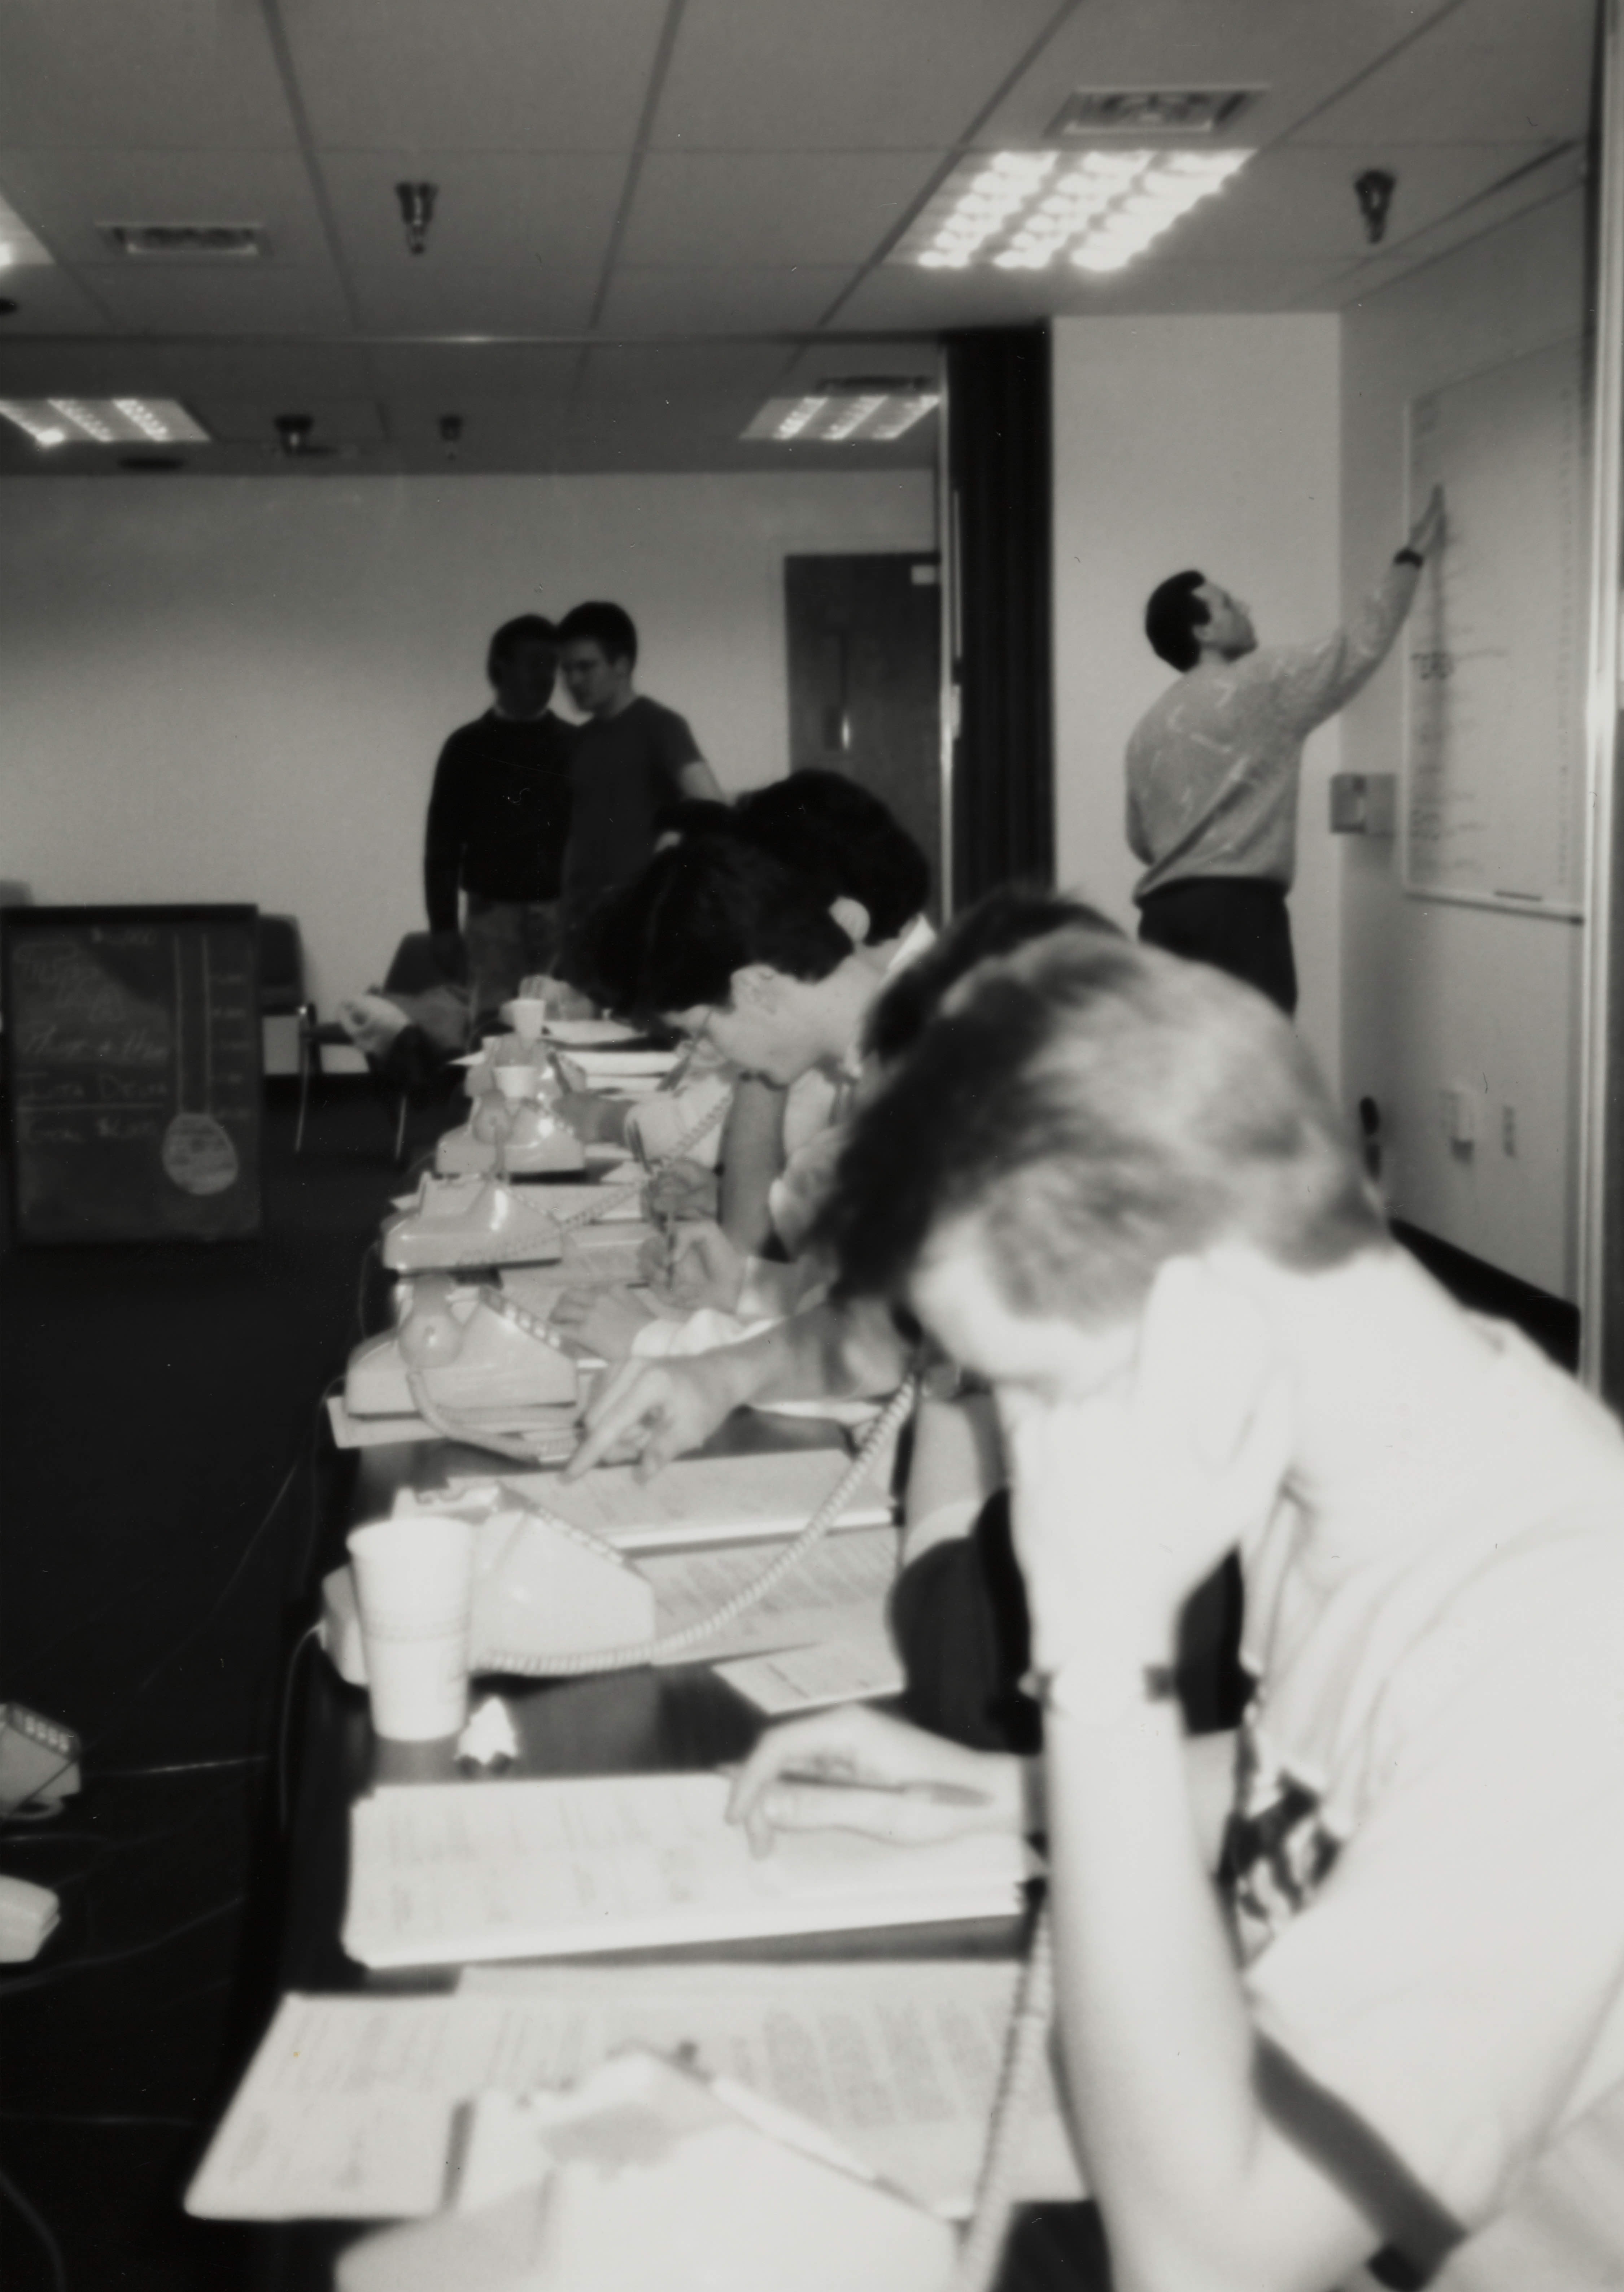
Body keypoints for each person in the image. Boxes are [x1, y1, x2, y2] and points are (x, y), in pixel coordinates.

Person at [726, 928, 1624, 2292]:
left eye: (1032, 1389)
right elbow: (1335, 1779)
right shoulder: (1356, 1456)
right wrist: (995, 1791)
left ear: (1195, 1317)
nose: (1021, 1450)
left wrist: (1100, 1661)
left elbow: (1198, 2265)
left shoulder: (1563, 1631)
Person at [1127, 485, 1445, 1014]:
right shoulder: (1261, 683)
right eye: (1228, 604)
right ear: (1203, 629)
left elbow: (1142, 840)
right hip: (1238, 916)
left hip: (1163, 922)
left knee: (1179, 1076)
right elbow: (1359, 645)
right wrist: (1410, 556)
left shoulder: (1146, 730)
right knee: (1257, 1076)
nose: (1244, 607)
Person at [422, 615, 577, 1028]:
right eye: (534, 662)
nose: (546, 675)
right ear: (501, 668)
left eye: (552, 664)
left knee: (561, 1023)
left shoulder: (574, 745)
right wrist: (442, 926)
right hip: (492, 917)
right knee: (493, 1027)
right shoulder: (466, 747)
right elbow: (442, 843)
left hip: (561, 913)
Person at [556, 601, 724, 941]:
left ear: (622, 665)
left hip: (640, 917)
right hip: (583, 917)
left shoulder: (660, 725)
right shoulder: (580, 740)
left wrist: (675, 838)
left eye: (586, 667)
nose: (572, 680)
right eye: (567, 669)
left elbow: (714, 810)